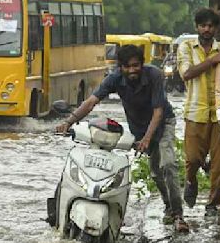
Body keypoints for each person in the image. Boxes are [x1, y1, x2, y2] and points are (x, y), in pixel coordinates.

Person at [56, 44, 189, 232]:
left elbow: (158, 111)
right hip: (138, 127)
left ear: (142, 64)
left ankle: (178, 215)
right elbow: (92, 101)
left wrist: (147, 139)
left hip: (162, 123)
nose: (132, 70)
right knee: (155, 172)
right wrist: (68, 123)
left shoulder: (154, 76)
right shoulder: (114, 79)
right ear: (121, 67)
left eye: (136, 65)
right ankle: (168, 206)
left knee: (167, 165)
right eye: (127, 67)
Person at [177, 8, 220, 217]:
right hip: (195, 112)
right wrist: (211, 61)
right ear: (197, 27)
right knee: (192, 159)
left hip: (219, 114)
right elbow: (187, 73)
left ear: (215, 28)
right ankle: (191, 180)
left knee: (218, 162)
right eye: (203, 25)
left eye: (210, 26)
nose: (206, 29)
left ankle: (212, 204)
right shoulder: (186, 47)